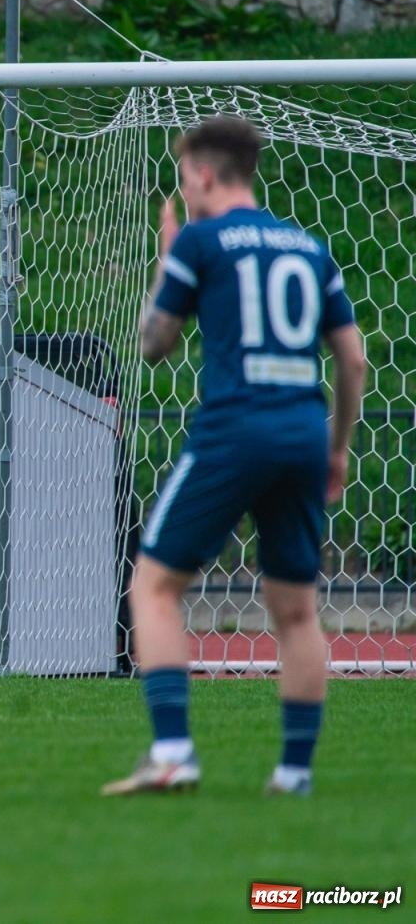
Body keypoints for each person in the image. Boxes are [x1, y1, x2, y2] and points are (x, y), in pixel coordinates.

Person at [102, 115, 365, 797]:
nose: (185, 189)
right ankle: (294, 772)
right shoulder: (308, 246)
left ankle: (172, 752)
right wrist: (336, 447)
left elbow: (153, 343)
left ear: (207, 175)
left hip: (235, 427)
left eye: (186, 176)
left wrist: (167, 265)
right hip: (303, 430)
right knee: (297, 608)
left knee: (154, 585)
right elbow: (354, 358)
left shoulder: (199, 239)